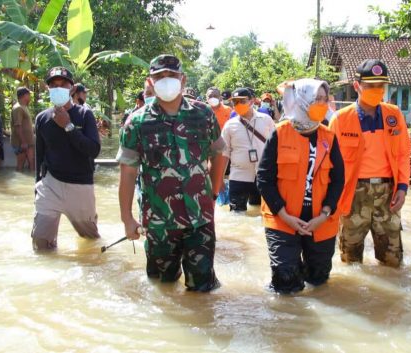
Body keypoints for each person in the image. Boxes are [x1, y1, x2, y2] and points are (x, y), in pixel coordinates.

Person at [117, 54, 226, 291]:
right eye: (159, 76)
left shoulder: (204, 114)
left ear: (182, 78)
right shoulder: (136, 123)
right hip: (159, 222)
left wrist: (214, 193)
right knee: (161, 287)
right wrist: (127, 218)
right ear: (150, 81)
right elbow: (127, 173)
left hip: (201, 219)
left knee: (203, 288)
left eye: (172, 75)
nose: (166, 80)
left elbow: (219, 153)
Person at [257, 79, 344, 293]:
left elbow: (338, 180)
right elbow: (264, 178)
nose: (323, 104)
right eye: (317, 99)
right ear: (303, 100)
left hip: (320, 222)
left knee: (319, 281)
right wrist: (285, 215)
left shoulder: (329, 137)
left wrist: (323, 215)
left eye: (325, 100)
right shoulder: (280, 133)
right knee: (286, 283)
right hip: (283, 220)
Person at [329, 59, 411, 268]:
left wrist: (402, 187)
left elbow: (403, 153)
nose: (376, 90)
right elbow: (329, 164)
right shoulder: (340, 119)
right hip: (353, 193)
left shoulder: (394, 115)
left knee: (392, 261)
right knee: (350, 260)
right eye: (370, 86)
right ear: (357, 86)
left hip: (388, 192)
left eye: (380, 86)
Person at [32, 67, 102, 250]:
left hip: (80, 185)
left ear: (71, 88)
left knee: (90, 240)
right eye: (53, 85)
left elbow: (94, 150)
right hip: (50, 184)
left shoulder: (84, 114)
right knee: (41, 242)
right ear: (48, 89)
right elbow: (40, 156)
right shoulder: (41, 118)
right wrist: (37, 185)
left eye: (63, 84)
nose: (58, 88)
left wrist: (69, 126)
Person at [222, 87, 275, 212]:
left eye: (242, 101)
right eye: (234, 102)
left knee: (259, 214)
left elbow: (276, 148)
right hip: (238, 177)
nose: (237, 105)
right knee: (236, 216)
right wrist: (219, 180)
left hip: (262, 178)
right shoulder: (229, 125)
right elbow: (224, 154)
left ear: (251, 101)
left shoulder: (266, 120)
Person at [11, 87, 35, 172]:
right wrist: (23, 142)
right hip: (21, 143)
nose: (30, 97)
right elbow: (18, 126)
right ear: (25, 95)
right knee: (20, 165)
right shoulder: (18, 108)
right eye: (29, 95)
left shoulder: (24, 107)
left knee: (32, 164)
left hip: (28, 142)